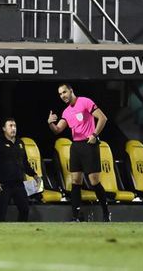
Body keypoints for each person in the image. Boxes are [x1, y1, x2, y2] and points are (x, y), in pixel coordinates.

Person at [48, 84, 111, 222]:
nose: (63, 95)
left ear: (71, 91)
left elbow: (103, 118)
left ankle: (106, 213)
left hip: (89, 144)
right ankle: (75, 216)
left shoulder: (85, 102)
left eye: (64, 92)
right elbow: (58, 130)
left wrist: (94, 134)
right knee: (75, 181)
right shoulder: (66, 112)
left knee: (94, 181)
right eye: (60, 94)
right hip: (75, 146)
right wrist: (50, 123)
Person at [0, 118, 40, 222]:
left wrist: (34, 175)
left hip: (18, 184)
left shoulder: (20, 143)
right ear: (4, 128)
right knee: (2, 212)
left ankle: (21, 231)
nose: (13, 128)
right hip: (4, 185)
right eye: (10, 126)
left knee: (25, 209)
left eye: (15, 126)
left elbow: (25, 162)